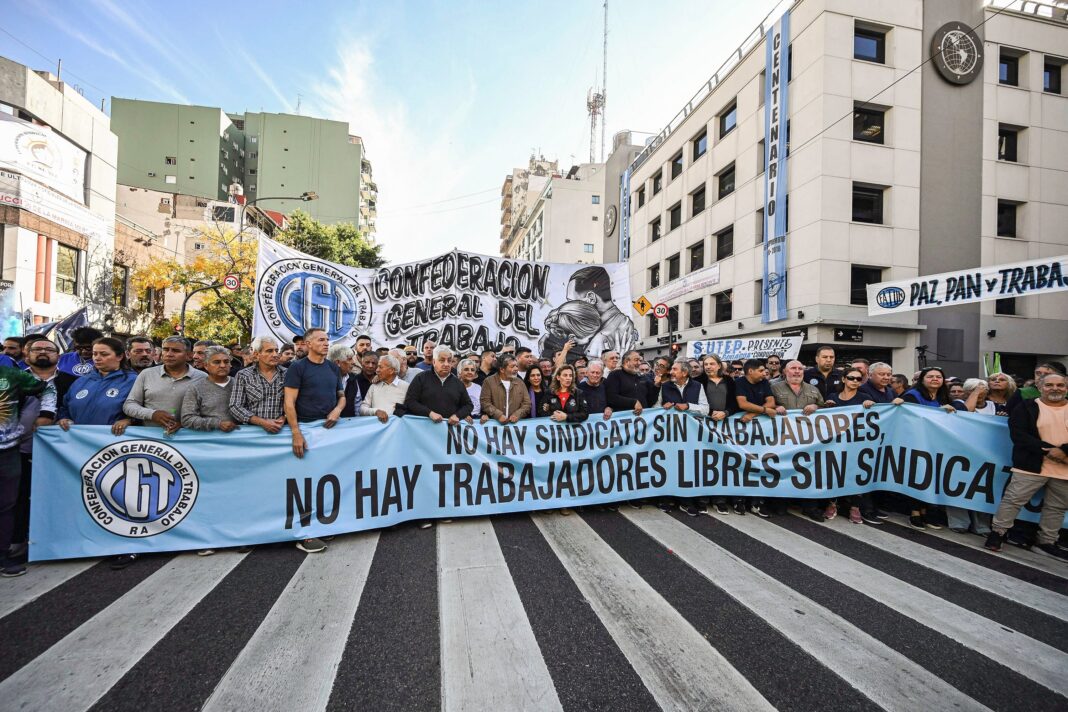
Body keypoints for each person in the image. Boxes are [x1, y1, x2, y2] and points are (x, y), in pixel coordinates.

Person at [985, 372, 1068, 560]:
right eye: (1049, 385)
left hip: (1064, 468)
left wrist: (1064, 451)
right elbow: (1019, 434)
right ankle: (998, 533)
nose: (1055, 389)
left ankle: (1047, 542)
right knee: (1014, 499)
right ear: (1039, 387)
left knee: (1057, 507)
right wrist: (1049, 451)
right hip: (1030, 465)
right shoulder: (1027, 407)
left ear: (1066, 388)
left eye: (1060, 385)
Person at [12, 338, 74, 565]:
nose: (43, 352)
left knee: (56, 497)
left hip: (60, 454)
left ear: (58, 355)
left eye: (49, 349)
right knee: (17, 498)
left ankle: (55, 542)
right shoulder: (11, 380)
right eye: (37, 349)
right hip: (17, 451)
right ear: (26, 354)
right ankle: (16, 542)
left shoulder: (73, 381)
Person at [284, 328, 345, 553]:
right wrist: (296, 433)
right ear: (308, 344)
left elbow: (342, 396)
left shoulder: (332, 367)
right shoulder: (297, 368)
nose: (326, 343)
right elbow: (289, 402)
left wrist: (338, 410)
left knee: (326, 479)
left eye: (328, 340)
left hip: (329, 430)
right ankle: (305, 533)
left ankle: (322, 522)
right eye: (321, 340)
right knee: (304, 483)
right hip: (306, 430)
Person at [0, 345, 54, 576]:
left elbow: (47, 390)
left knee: (6, 506)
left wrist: (46, 414)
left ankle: (3, 556)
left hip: (7, 451)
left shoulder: (10, 375)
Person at [901, 366, 957, 530]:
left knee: (930, 477)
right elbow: (911, 417)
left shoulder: (943, 396)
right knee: (917, 476)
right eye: (930, 376)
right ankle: (915, 512)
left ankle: (926, 510)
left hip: (936, 444)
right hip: (917, 442)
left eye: (938, 377)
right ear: (922, 380)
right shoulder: (912, 395)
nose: (934, 379)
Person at [823, 367, 881, 524]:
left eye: (858, 379)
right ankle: (832, 503)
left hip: (857, 444)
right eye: (851, 378)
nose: (855, 381)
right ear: (843, 379)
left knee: (856, 473)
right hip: (837, 444)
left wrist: (871, 404)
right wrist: (826, 407)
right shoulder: (833, 396)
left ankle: (855, 507)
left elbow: (875, 417)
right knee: (835, 472)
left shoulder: (864, 397)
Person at [940, 378, 997, 536]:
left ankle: (981, 525)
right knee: (958, 486)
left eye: (981, 390)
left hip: (986, 454)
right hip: (961, 452)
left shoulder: (993, 406)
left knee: (982, 489)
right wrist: (976, 391)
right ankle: (959, 522)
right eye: (972, 390)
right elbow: (966, 411)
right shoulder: (958, 404)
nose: (978, 393)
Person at [660, 359, 709, 517]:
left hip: (690, 435)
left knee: (687, 467)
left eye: (674, 369)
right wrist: (663, 407)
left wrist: (688, 406)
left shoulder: (697, 386)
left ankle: (686, 500)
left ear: (684, 373)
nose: (671, 372)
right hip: (671, 434)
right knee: (669, 464)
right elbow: (655, 407)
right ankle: (667, 498)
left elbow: (705, 409)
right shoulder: (665, 385)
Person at [541, 364, 589, 516]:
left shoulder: (579, 393)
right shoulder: (549, 393)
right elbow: (542, 414)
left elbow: (584, 414)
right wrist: (546, 412)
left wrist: (567, 417)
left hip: (571, 440)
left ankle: (565, 503)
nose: (568, 378)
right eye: (565, 375)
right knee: (553, 470)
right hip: (553, 440)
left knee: (568, 470)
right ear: (558, 377)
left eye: (571, 376)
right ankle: (551, 502)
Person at [733, 359, 777, 518]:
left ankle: (757, 502)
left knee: (760, 463)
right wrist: (764, 410)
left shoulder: (764, 382)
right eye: (760, 370)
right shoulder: (740, 382)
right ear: (750, 371)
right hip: (742, 431)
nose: (764, 373)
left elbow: (771, 402)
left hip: (760, 431)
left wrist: (755, 413)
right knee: (743, 463)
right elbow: (742, 403)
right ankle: (740, 499)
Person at [564, 265, 638, 354]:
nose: (568, 309)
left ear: (591, 298)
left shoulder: (602, 338)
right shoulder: (620, 322)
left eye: (572, 302)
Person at [230, 336, 287, 434]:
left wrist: (284, 418)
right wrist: (262, 422)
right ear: (257, 354)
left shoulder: (287, 374)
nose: (275, 354)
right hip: (253, 433)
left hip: (282, 431)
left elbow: (295, 403)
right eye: (269, 351)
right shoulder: (244, 375)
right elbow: (235, 406)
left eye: (276, 350)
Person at [180, 346, 238, 433]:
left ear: (230, 364)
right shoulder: (196, 388)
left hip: (240, 439)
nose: (222, 365)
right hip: (209, 441)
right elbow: (187, 419)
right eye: (217, 362)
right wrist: (217, 424)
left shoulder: (239, 384)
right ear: (206, 366)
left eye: (226, 362)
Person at [480, 354, 531, 425]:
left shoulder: (520, 382)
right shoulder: (488, 381)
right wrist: (498, 415)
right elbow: (485, 402)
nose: (516, 369)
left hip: (515, 427)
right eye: (512, 366)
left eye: (516, 366)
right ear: (502, 369)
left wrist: (517, 414)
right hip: (495, 427)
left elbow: (527, 404)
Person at [605, 350, 656, 416]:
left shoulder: (642, 377)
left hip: (644, 420)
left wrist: (656, 387)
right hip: (624, 421)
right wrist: (633, 402)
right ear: (627, 361)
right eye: (636, 360)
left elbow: (650, 401)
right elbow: (611, 398)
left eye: (640, 360)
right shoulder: (615, 375)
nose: (639, 363)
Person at [360, 354, 409, 422]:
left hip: (397, 429)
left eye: (380, 367)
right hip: (377, 429)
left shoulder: (406, 387)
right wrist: (376, 411)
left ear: (391, 370)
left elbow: (411, 410)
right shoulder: (374, 386)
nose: (377, 370)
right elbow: (362, 409)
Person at [328, 345, 361, 418]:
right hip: (327, 425)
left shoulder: (353, 379)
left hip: (349, 425)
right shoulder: (324, 379)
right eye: (349, 359)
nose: (353, 362)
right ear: (338, 363)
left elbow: (357, 404)